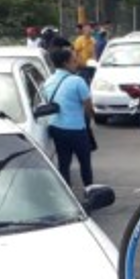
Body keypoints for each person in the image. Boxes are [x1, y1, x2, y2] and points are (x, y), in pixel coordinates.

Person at [42, 48, 95, 188]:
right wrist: (91, 117)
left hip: (56, 127)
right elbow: (88, 106)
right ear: (66, 63)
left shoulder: (48, 81)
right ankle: (90, 191)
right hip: (76, 129)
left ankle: (67, 193)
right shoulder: (77, 81)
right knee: (85, 163)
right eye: (74, 60)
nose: (76, 63)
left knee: (63, 163)